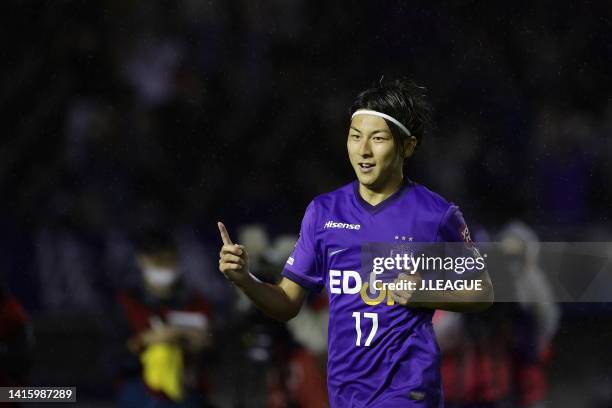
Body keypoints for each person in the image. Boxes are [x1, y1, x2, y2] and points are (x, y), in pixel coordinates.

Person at [218, 79, 493, 407]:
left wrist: (426, 294)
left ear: (408, 146)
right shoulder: (324, 212)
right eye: (355, 136)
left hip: (409, 391)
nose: (363, 150)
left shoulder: (435, 215)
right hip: (346, 394)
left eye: (377, 138)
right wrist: (244, 280)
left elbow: (483, 290)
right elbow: (287, 303)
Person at [116, 229, 213, 408]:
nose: (164, 267)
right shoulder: (126, 302)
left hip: (189, 390)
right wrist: (145, 340)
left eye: (170, 261)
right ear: (142, 260)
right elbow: (114, 355)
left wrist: (202, 343)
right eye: (158, 262)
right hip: (140, 390)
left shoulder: (195, 302)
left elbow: (213, 349)